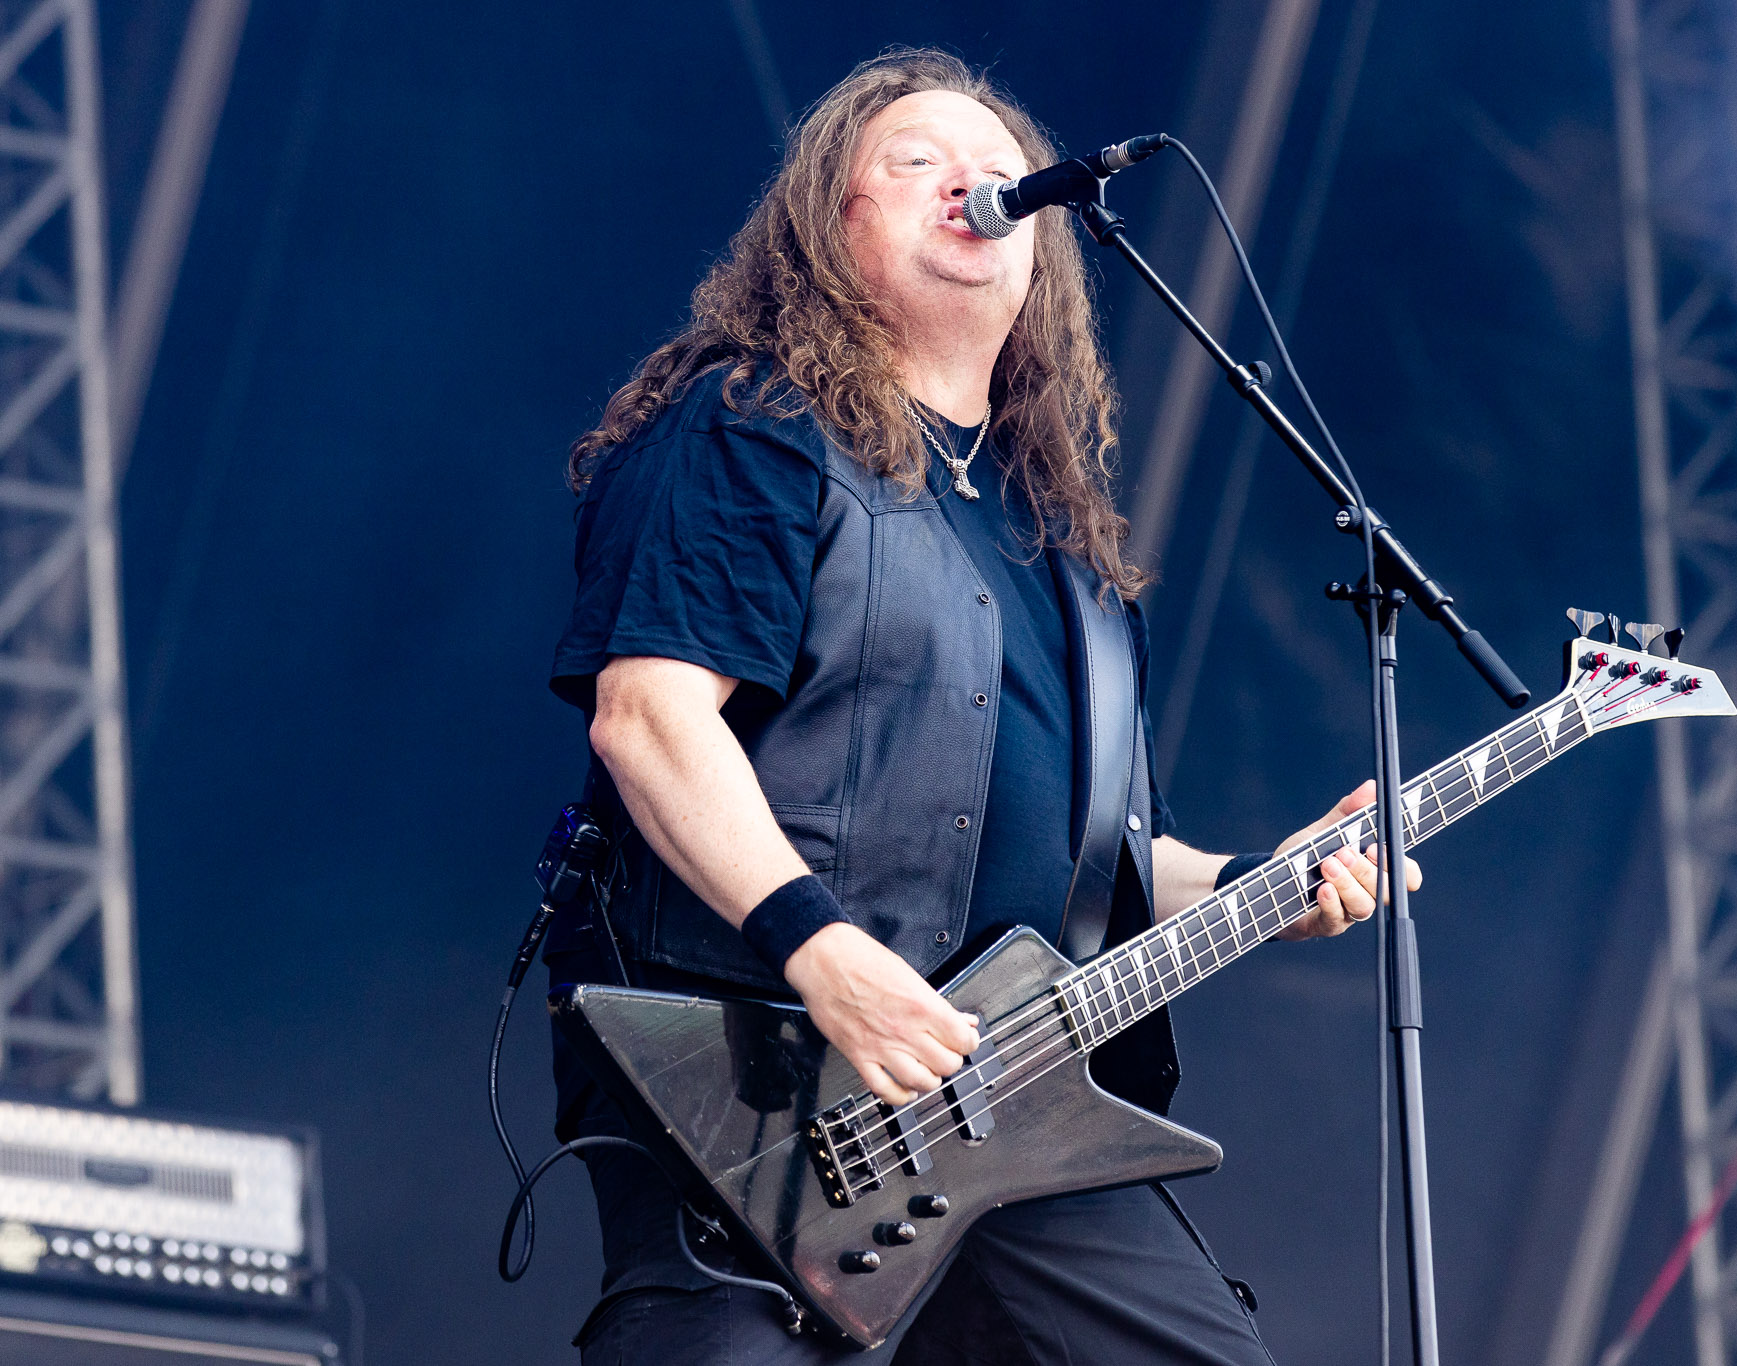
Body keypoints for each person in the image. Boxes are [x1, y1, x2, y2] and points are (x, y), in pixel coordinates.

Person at [545, 48, 1422, 1366]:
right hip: (765, 1086)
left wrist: (1269, 883)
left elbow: (1110, 866)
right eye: (916, 161)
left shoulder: (1064, 549)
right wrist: (821, 951)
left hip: (1010, 1103)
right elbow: (650, 717)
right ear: (829, 222)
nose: (972, 183)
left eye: (1001, 170)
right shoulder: (753, 429)